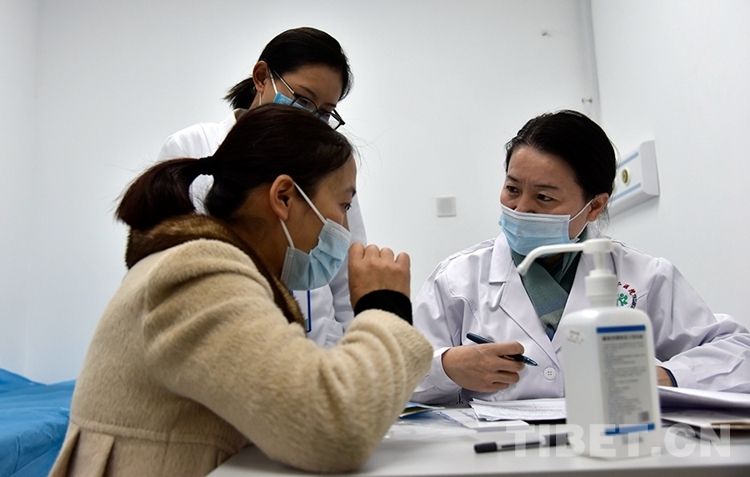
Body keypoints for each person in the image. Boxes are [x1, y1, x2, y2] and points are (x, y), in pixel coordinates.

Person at [49, 105, 432, 476]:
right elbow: (332, 429)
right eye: (344, 204)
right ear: (283, 197)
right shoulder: (199, 273)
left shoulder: (222, 268)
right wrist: (384, 306)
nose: (345, 228)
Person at [411, 109, 750, 405]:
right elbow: (396, 377)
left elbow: (739, 352)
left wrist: (666, 376)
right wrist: (447, 367)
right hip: (496, 450)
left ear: (595, 206)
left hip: (614, 444)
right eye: (512, 189)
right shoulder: (457, 279)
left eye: (544, 197)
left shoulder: (644, 276)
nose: (521, 208)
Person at [158, 26, 364, 348]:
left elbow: (346, 276)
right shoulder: (193, 146)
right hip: (233, 344)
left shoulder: (329, 169)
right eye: (303, 100)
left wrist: (360, 356)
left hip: (317, 351)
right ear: (261, 77)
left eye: (324, 113)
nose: (310, 119)